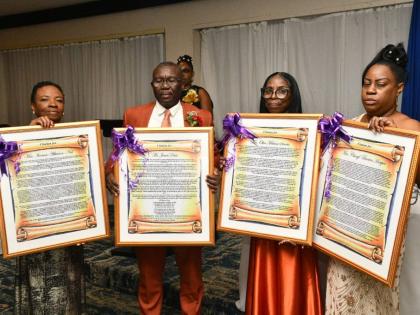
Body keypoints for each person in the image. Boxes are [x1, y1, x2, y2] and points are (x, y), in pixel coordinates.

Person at [106, 61, 219, 315]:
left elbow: (212, 156)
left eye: (171, 80)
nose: (165, 85)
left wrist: (217, 174)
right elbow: (118, 155)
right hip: (148, 208)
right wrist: (111, 175)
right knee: (149, 275)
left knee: (191, 274)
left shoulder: (201, 116)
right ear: (152, 84)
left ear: (182, 84)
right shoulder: (134, 115)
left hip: (187, 207)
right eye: (159, 80)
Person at [325, 43, 420, 314]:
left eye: (381, 84)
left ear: (399, 88)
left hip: (381, 237)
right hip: (344, 229)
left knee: (378, 301)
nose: (370, 90)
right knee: (341, 295)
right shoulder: (352, 125)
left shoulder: (411, 128)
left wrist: (393, 139)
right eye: (366, 83)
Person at [243, 72, 322, 314]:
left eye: (281, 90)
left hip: (293, 222)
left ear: (292, 94)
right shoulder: (249, 132)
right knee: (265, 272)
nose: (273, 96)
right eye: (268, 90)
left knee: (293, 277)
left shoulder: (310, 130)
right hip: (264, 219)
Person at [15, 81, 85, 314]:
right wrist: (29, 134)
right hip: (37, 231)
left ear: (63, 108)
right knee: (39, 287)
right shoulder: (16, 141)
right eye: (44, 99)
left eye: (59, 100)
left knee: (70, 284)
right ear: (33, 107)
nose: (53, 104)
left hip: (69, 227)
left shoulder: (78, 139)